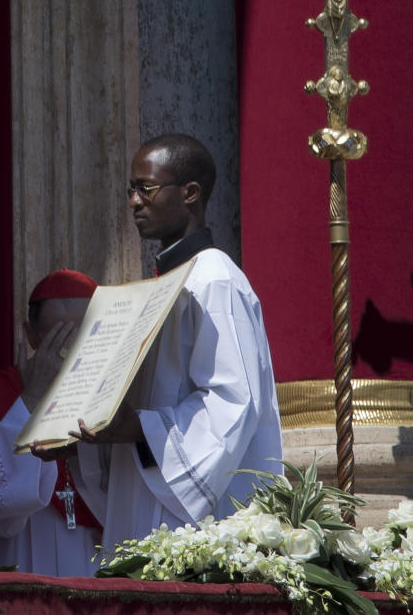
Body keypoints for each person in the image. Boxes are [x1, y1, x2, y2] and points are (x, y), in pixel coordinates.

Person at [35, 133, 282, 551]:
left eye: (145, 189)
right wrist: (78, 442)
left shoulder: (214, 280)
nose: (133, 201)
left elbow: (232, 405)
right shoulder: (157, 287)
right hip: (145, 498)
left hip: (193, 523)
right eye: (130, 189)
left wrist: (138, 428)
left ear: (189, 193)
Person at [0, 270, 102, 576]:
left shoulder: (111, 400)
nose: (72, 356)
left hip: (89, 558)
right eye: (59, 340)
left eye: (84, 338)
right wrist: (34, 395)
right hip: (12, 559)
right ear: (31, 335)